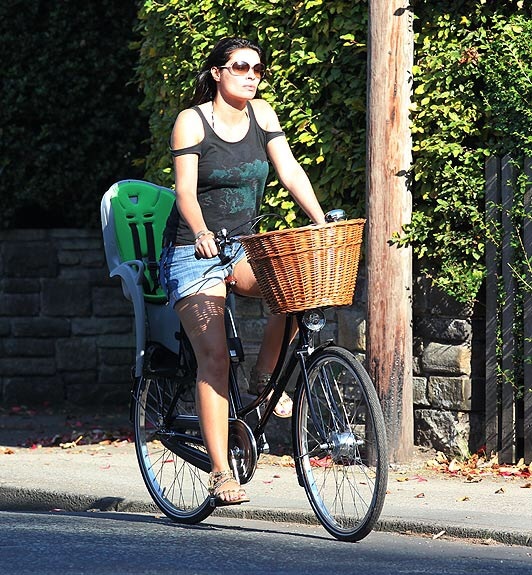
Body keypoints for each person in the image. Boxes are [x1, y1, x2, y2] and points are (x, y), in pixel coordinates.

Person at [160, 37, 325, 506]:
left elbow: (290, 170)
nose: (252, 75)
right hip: (192, 250)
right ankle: (220, 473)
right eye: (240, 67)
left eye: (257, 68)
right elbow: (185, 191)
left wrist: (319, 221)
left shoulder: (263, 114)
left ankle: (263, 380)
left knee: (294, 293)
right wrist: (200, 231)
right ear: (217, 72)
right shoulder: (192, 121)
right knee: (214, 358)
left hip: (240, 248)